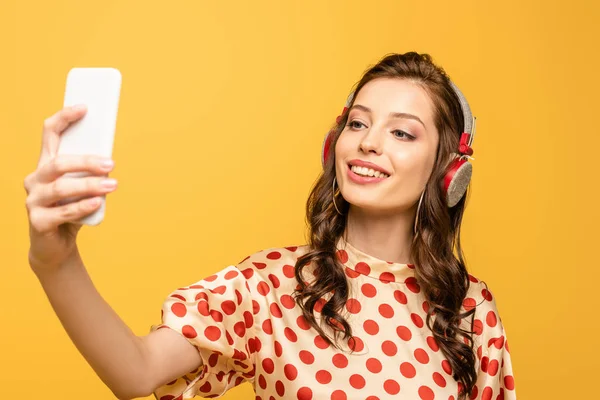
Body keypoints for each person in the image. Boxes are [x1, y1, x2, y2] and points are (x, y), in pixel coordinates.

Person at [24, 52, 516, 400]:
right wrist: (56, 259)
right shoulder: (270, 284)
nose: (368, 143)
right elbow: (135, 371)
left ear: (449, 172)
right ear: (334, 144)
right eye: (358, 123)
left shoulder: (472, 310)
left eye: (402, 132)